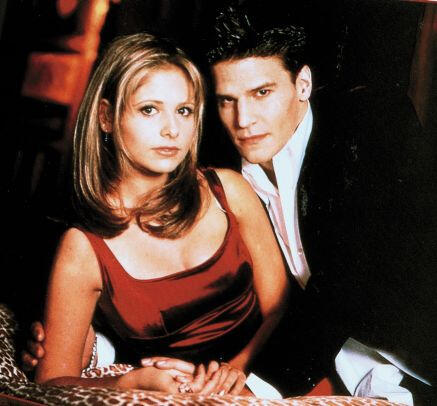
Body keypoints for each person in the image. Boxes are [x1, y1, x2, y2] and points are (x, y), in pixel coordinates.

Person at [25, 5, 437, 404]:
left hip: (401, 356)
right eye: (226, 100)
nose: (244, 119)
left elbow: (331, 292)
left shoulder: (361, 139)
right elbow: (162, 304)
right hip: (325, 364)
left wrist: (242, 382)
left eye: (262, 93)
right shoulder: (218, 162)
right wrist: (96, 347)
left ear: (303, 85)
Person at [32, 31, 288, 395]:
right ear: (106, 117)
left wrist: (240, 370)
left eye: (183, 111)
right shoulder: (82, 249)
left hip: (270, 382)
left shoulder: (229, 191)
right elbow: (51, 383)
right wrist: (128, 382)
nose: (172, 130)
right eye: (149, 109)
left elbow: (280, 308)